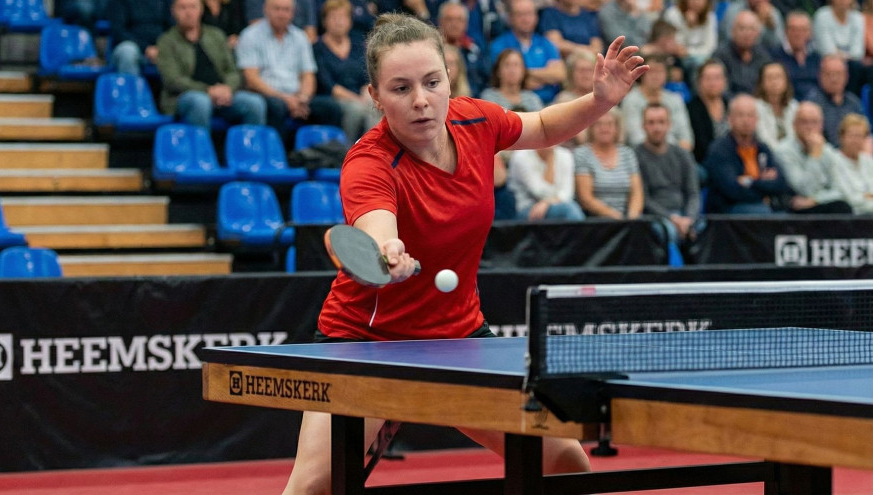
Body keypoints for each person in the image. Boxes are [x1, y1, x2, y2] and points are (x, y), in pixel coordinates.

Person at [281, 12, 649, 493]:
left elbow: (540, 125)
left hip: (458, 337)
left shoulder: (475, 119)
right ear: (375, 96)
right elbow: (375, 225)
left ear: (449, 79)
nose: (421, 100)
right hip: (367, 343)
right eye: (400, 88)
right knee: (313, 487)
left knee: (564, 462)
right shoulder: (369, 162)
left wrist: (599, 101)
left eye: (432, 82)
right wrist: (388, 250)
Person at [236, 0, 343, 148]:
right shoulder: (250, 35)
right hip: (267, 95)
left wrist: (303, 98)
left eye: (286, 10)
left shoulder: (300, 37)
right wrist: (285, 98)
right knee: (276, 107)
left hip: (297, 96)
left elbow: (308, 75)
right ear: (265, 9)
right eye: (277, 9)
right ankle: (277, 156)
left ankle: (324, 155)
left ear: (293, 13)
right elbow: (251, 79)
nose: (281, 14)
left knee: (331, 108)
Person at [157, 0, 267, 129]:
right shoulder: (166, 41)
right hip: (185, 96)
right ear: (173, 12)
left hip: (223, 94)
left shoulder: (216, 35)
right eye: (182, 8)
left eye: (193, 7)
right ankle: (201, 142)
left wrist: (228, 89)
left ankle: (250, 142)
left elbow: (232, 71)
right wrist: (208, 91)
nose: (188, 12)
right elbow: (173, 80)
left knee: (254, 103)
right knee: (201, 102)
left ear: (201, 10)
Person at [703, 93, 791, 213]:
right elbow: (732, 189)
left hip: (760, 206)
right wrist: (763, 188)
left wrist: (749, 181)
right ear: (729, 119)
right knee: (763, 212)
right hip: (728, 211)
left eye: (750, 115)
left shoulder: (763, 148)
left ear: (756, 119)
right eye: (740, 115)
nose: (746, 120)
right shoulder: (720, 149)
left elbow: (781, 183)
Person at [314, 0, 380, 141]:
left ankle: (374, 146)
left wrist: (366, 93)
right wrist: (356, 99)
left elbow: (366, 77)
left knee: (375, 102)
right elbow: (328, 85)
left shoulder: (358, 46)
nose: (339, 22)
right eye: (334, 17)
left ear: (350, 21)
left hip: (358, 95)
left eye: (343, 17)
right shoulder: (317, 48)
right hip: (332, 97)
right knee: (356, 108)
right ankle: (348, 148)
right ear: (324, 21)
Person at [635, 103, 701, 243]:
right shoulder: (635, 156)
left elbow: (693, 194)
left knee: (706, 230)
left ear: (669, 125)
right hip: (654, 217)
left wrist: (689, 219)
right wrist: (672, 219)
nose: (657, 128)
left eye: (661, 122)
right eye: (651, 123)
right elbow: (644, 200)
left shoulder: (683, 155)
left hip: (684, 215)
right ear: (643, 126)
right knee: (668, 231)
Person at [773, 101, 854, 213]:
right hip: (795, 208)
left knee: (843, 206)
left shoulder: (827, 151)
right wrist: (814, 155)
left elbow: (841, 190)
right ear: (794, 125)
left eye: (814, 122)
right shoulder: (784, 151)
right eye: (804, 122)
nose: (810, 127)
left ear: (822, 125)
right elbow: (805, 191)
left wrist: (816, 200)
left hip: (818, 203)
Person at [489, 0, 566, 104]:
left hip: (550, 103)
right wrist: (546, 76)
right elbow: (506, 80)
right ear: (510, 18)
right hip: (515, 103)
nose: (526, 19)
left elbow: (560, 74)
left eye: (529, 14)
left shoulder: (545, 43)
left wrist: (524, 73)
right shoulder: (499, 45)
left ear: (536, 17)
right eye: (520, 14)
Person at [574, 108, 645, 218]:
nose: (604, 128)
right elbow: (585, 198)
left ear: (617, 128)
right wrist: (614, 216)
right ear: (591, 128)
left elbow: (637, 193)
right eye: (599, 124)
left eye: (609, 124)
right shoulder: (582, 154)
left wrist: (632, 217)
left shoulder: (627, 153)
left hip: (627, 219)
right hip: (595, 219)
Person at [620, 53, 694, 151]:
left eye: (660, 72)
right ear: (641, 74)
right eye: (651, 71)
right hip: (641, 154)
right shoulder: (631, 100)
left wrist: (674, 152)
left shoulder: (675, 100)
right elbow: (636, 138)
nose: (655, 76)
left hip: (674, 154)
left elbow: (687, 139)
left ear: (666, 74)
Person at [507, 145, 587, 220]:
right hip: (527, 208)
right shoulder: (521, 157)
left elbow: (567, 193)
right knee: (570, 209)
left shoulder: (565, 155)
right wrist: (550, 160)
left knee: (570, 207)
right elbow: (540, 193)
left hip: (557, 204)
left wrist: (548, 202)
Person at [805, 54, 865, 145]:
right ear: (820, 76)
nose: (834, 79)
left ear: (847, 76)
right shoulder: (812, 104)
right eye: (828, 74)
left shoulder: (854, 103)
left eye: (838, 74)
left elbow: (864, 133)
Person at [713, 10, 773, 95]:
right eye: (742, 28)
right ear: (733, 31)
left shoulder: (763, 56)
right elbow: (719, 88)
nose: (747, 33)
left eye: (751, 29)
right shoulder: (720, 55)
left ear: (758, 33)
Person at [438, 2, 490, 97]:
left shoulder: (475, 49)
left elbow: (486, 80)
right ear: (440, 21)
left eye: (459, 20)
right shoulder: (434, 50)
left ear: (466, 23)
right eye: (449, 19)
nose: (454, 24)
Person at [108, 0, 174, 75]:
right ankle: (131, 82)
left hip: (160, 47)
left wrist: (161, 48)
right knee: (128, 52)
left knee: (179, 48)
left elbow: (172, 28)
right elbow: (118, 31)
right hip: (132, 47)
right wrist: (146, 48)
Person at [688, 58, 730, 166]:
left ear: (725, 81)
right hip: (705, 162)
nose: (713, 83)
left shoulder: (730, 105)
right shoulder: (691, 109)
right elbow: (700, 147)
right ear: (699, 81)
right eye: (708, 78)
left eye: (717, 78)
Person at [772, 10, 822, 101]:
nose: (798, 34)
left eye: (803, 30)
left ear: (810, 33)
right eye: (793, 29)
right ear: (786, 31)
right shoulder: (775, 56)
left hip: (816, 104)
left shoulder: (816, 57)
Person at [661, 0, 718, 77]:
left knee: (702, 63)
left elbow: (710, 48)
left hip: (698, 57)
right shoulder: (673, 14)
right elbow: (675, 44)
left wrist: (688, 52)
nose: (696, 2)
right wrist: (688, 27)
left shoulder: (710, 17)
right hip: (676, 57)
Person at [832, 113, 873, 213]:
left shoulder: (868, 160)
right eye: (852, 136)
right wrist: (866, 196)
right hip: (851, 216)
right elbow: (848, 198)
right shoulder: (834, 160)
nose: (856, 141)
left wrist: (866, 196)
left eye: (860, 136)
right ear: (842, 137)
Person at [480, 49, 544, 112]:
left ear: (524, 71)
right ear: (498, 71)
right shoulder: (489, 98)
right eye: (507, 65)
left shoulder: (532, 99)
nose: (512, 70)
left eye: (516, 65)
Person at [753, 61, 799, 147]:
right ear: (761, 83)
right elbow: (762, 139)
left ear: (786, 81)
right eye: (769, 78)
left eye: (778, 77)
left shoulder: (795, 107)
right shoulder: (754, 108)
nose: (774, 82)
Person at [538, 0, 604, 59]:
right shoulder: (551, 14)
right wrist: (583, 50)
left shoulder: (587, 16)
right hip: (565, 61)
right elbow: (556, 44)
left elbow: (597, 48)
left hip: (589, 60)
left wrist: (575, 49)